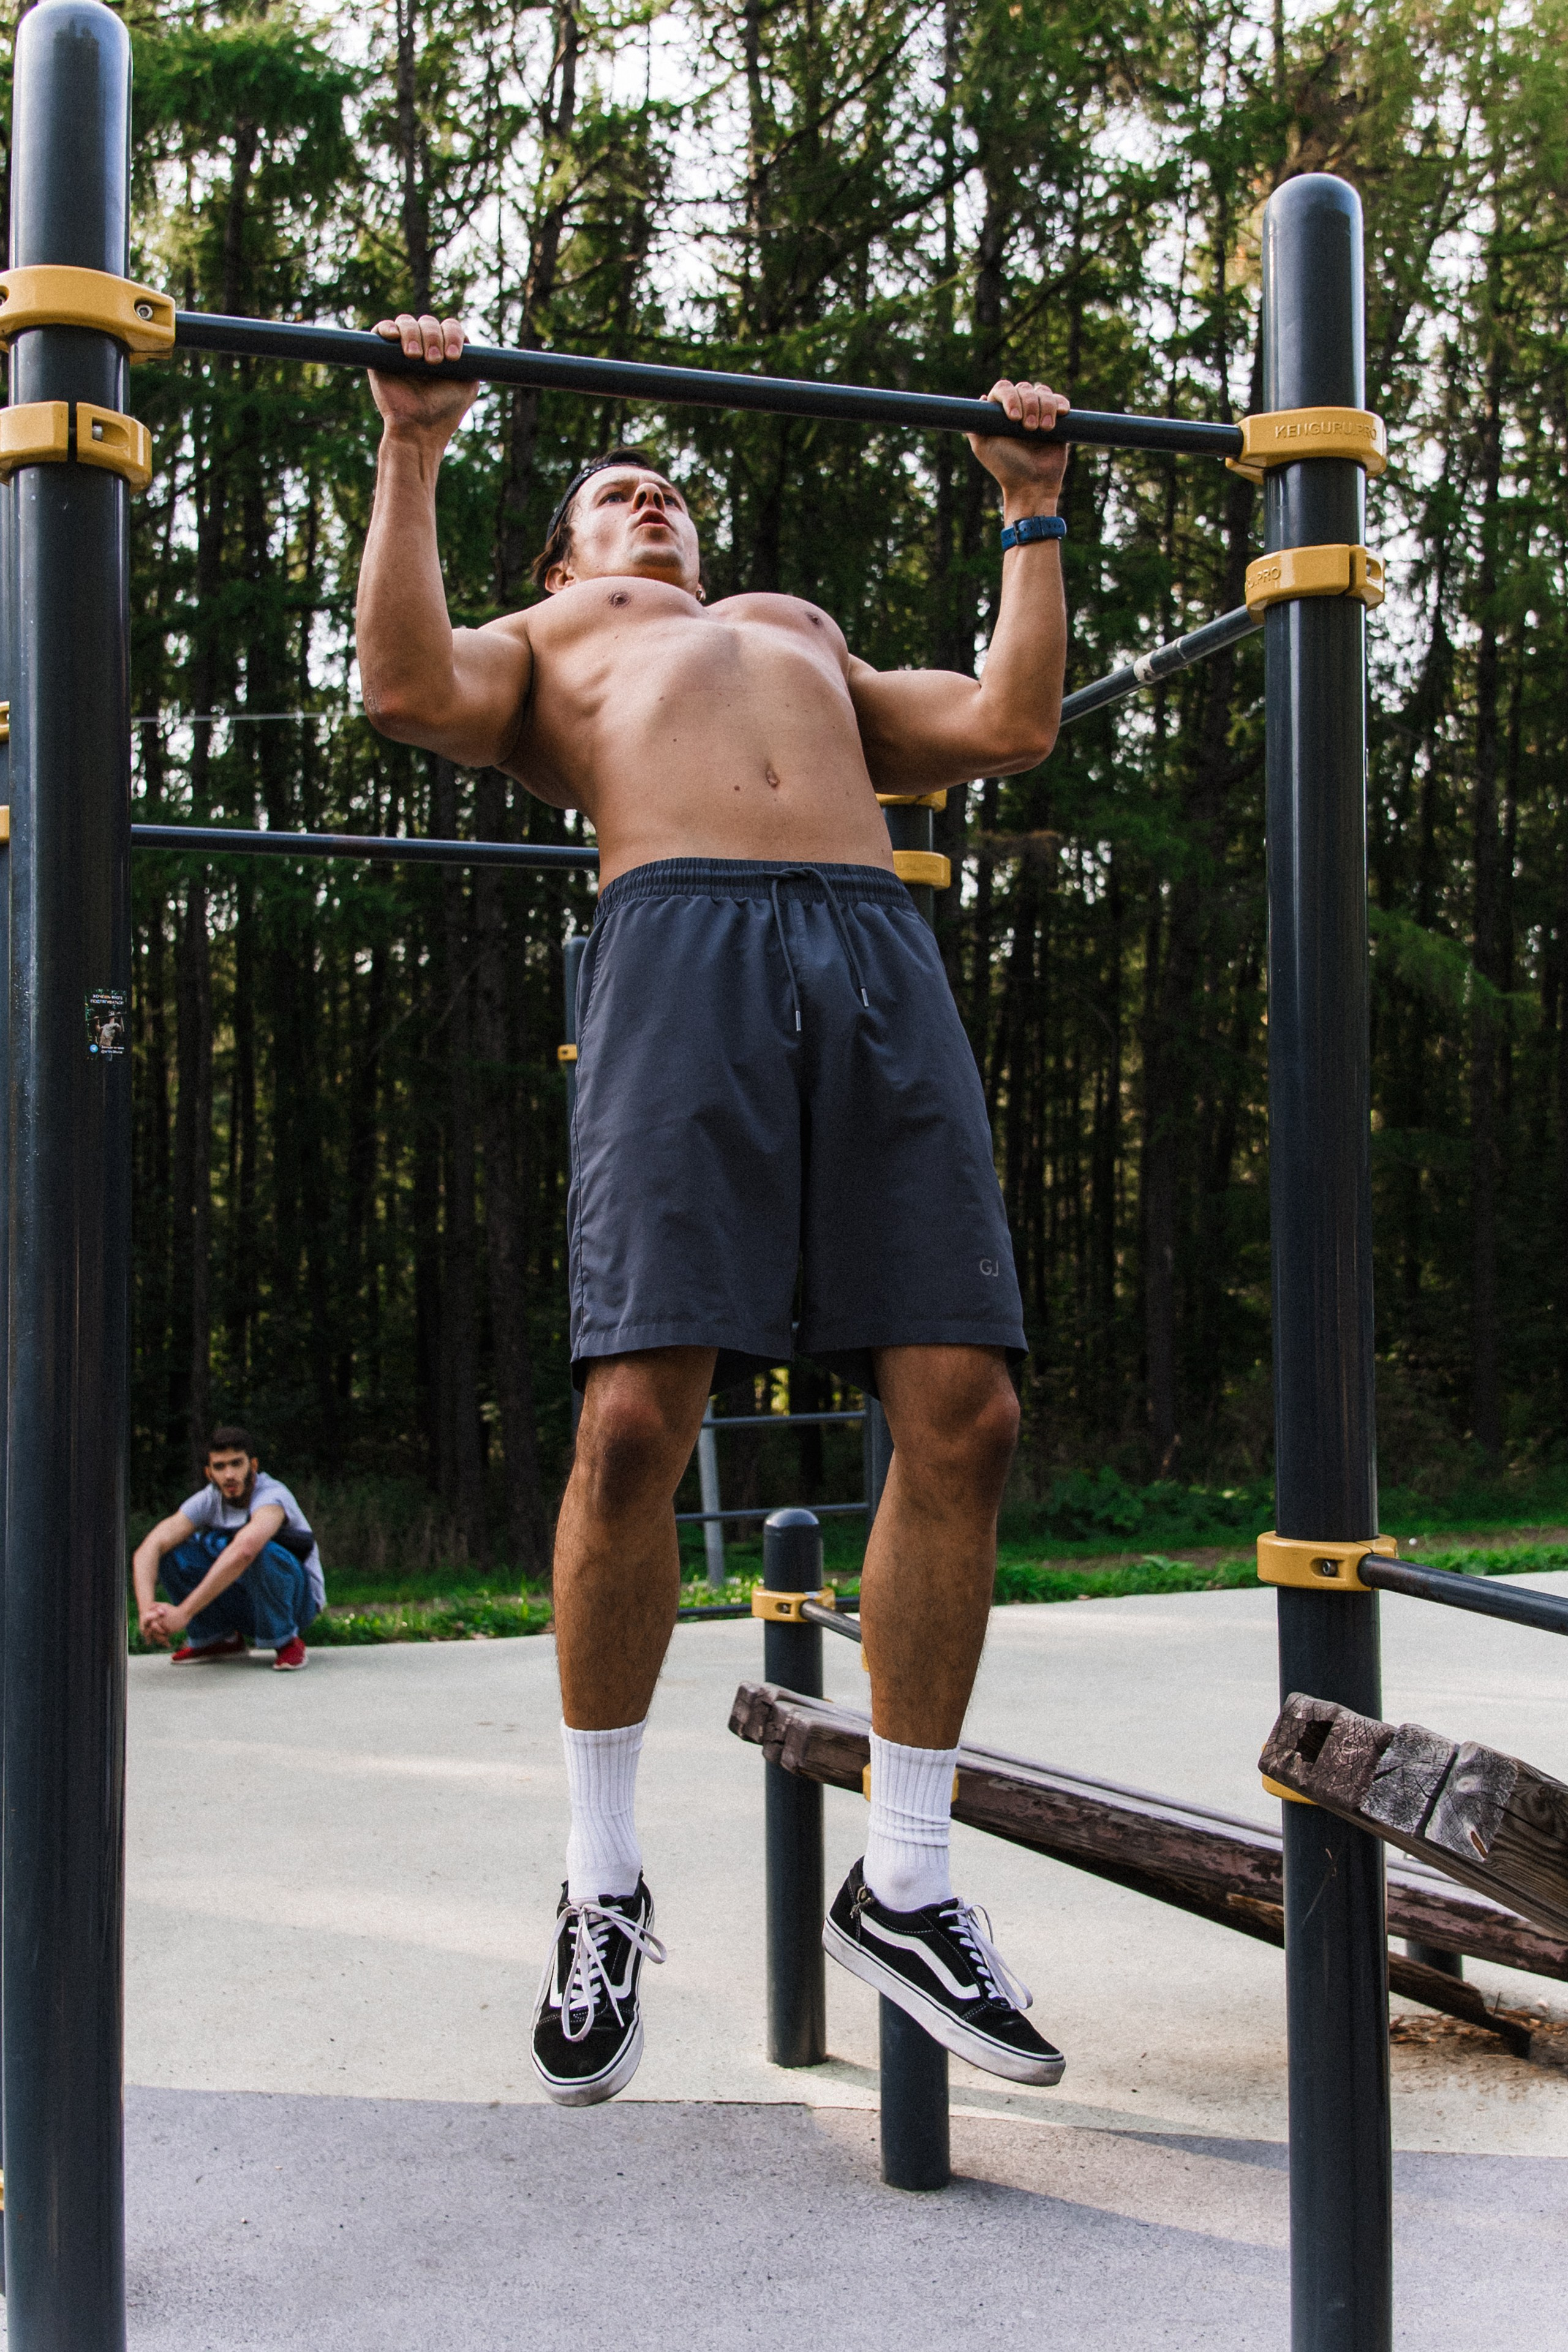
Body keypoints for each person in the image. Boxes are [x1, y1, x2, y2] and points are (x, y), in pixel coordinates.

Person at [356, 310, 1072, 2106]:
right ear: (565, 554)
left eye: (668, 488)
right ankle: (602, 1878)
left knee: (965, 1408)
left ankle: (904, 1873)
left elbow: (1008, 718)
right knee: (628, 1421)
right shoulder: (550, 639)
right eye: (614, 492)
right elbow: (400, 687)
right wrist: (412, 446)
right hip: (680, 948)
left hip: (871, 953)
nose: (651, 498)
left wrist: (1031, 506)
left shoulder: (796, 632)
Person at [133, 1427, 325, 1673]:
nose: (229, 1474)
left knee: (259, 1551)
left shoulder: (272, 1496)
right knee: (172, 1553)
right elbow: (150, 1547)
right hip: (249, 1603)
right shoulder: (209, 1499)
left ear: (253, 1465)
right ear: (209, 1472)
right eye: (220, 1467)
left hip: (300, 1604)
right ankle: (217, 1639)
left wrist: (183, 1613)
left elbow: (245, 1550)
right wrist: (147, 1612)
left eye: (237, 1464)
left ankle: (287, 1640)